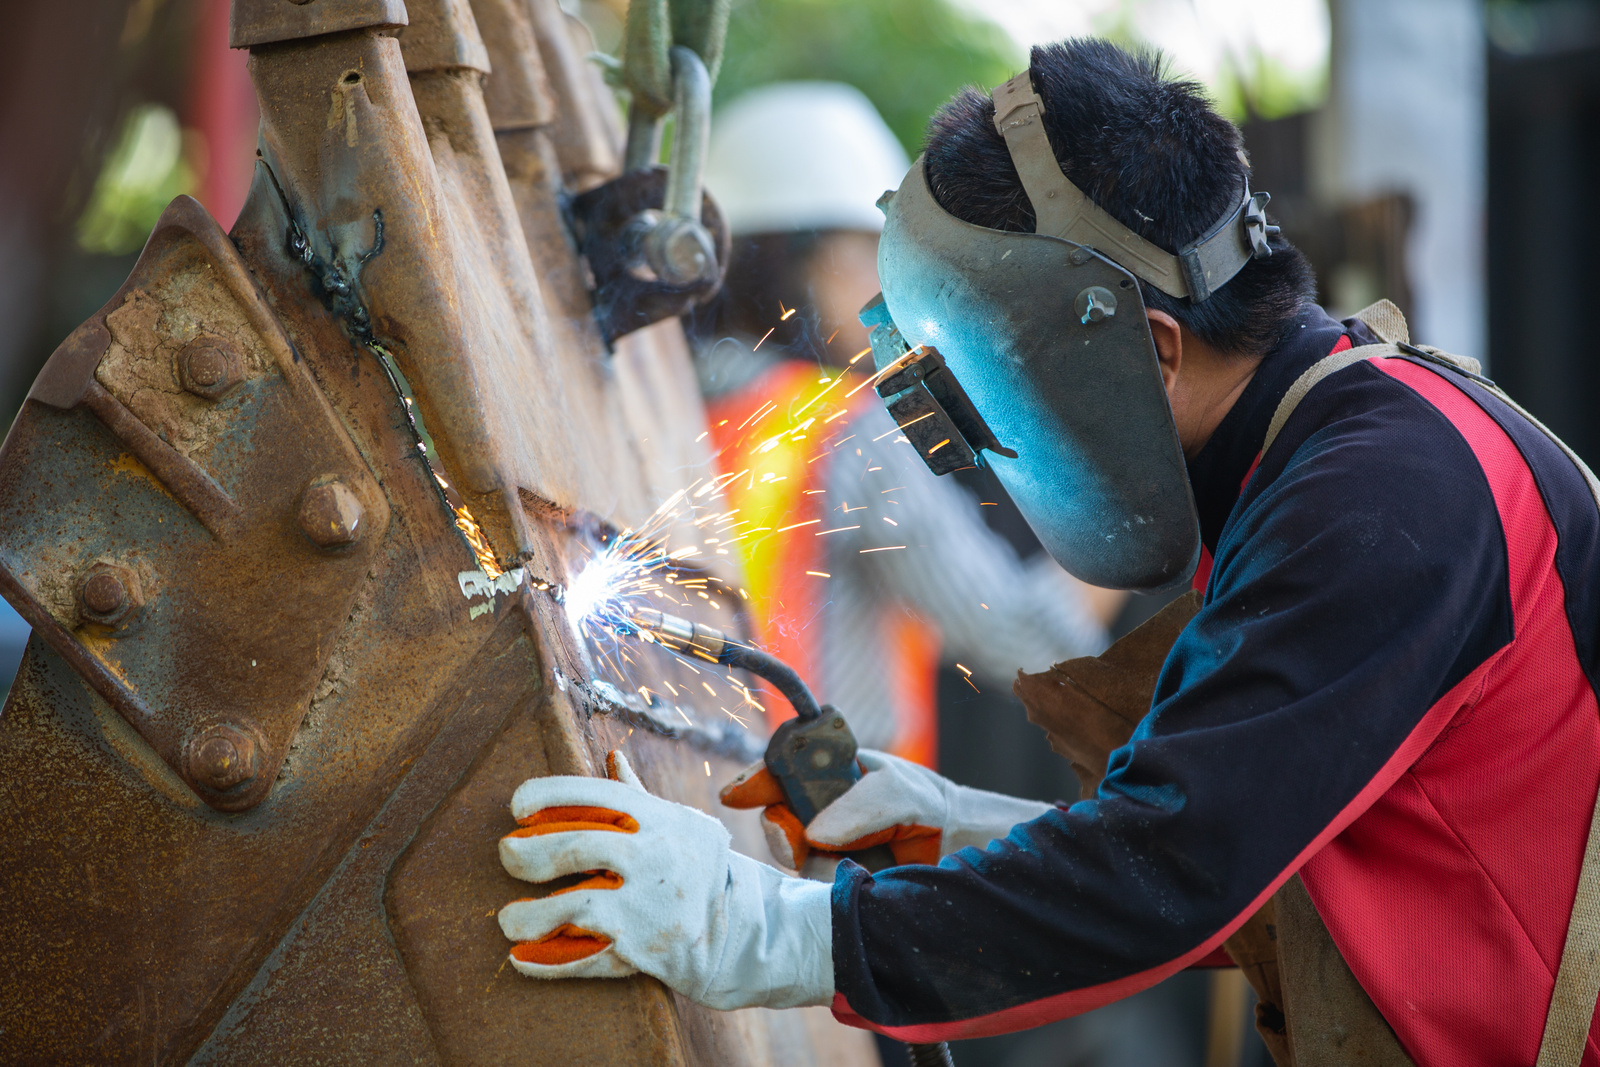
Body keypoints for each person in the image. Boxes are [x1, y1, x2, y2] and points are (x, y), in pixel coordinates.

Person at [494, 40, 1600, 1067]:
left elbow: (1174, 869)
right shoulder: (1313, 455)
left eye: (970, 370)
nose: (958, 430)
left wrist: (745, 927)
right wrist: (970, 827)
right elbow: (1271, 841)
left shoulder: (1383, 494)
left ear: (1140, 344)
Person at [692, 81, 1114, 764]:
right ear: (788, 265)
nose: (882, 285)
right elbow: (1035, 647)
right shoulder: (843, 430)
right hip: (822, 842)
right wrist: (1137, 515)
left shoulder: (663, 406)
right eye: (863, 250)